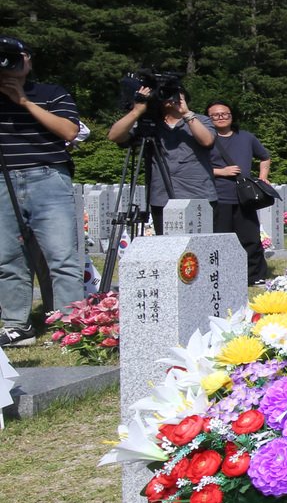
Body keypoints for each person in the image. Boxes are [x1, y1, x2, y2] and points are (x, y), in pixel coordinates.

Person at [0, 36, 85, 346]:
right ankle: (17, 325)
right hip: (2, 179)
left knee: (61, 255)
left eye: (14, 56)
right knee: (7, 257)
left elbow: (69, 131)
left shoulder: (51, 93)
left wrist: (23, 101)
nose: (8, 63)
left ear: (29, 60)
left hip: (47, 176)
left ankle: (71, 325)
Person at [106, 83, 217, 234]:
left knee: (201, 247)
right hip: (162, 196)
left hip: (198, 193)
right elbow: (114, 136)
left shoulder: (200, 120)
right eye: (167, 94)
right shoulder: (150, 124)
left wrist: (186, 113)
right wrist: (136, 111)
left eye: (176, 94)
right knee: (168, 247)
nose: (172, 98)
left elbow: (207, 141)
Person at [206, 100, 272, 285]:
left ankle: (255, 275)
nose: (221, 118)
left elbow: (265, 157)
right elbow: (195, 167)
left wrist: (262, 177)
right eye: (215, 115)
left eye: (225, 113)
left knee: (250, 237)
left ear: (231, 115)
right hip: (218, 196)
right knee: (220, 238)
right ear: (208, 118)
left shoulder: (246, 137)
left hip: (245, 196)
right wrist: (221, 172)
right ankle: (221, 276)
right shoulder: (206, 139)